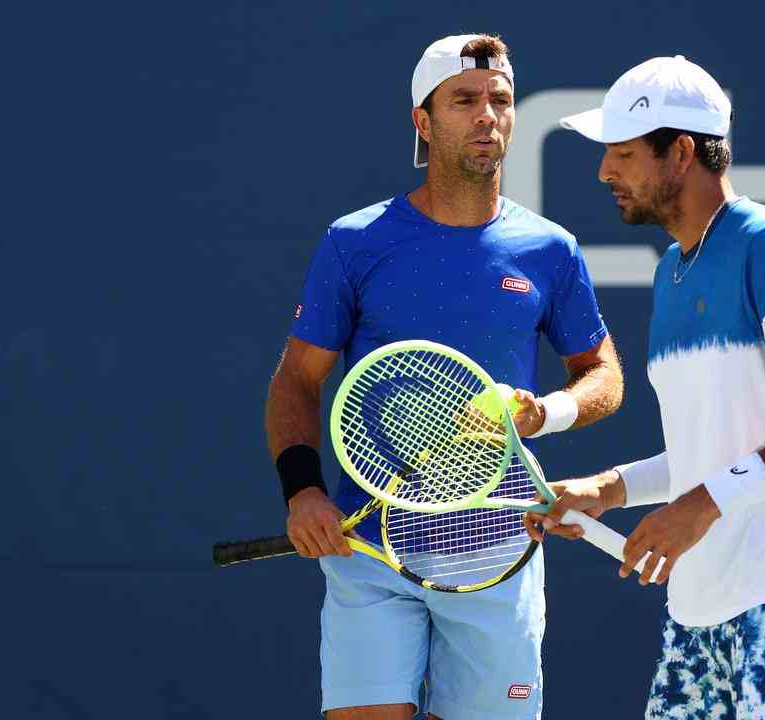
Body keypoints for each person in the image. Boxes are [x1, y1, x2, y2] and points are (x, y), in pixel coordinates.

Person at [265, 34, 623, 720]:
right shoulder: (355, 242)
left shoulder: (551, 249)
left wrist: (542, 413)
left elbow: (601, 373)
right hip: (370, 546)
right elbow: (296, 383)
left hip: (498, 549)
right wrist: (302, 490)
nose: (487, 114)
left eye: (501, 100)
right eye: (464, 100)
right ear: (422, 121)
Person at [527, 56, 765, 719]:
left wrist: (704, 504)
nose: (606, 172)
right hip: (700, 616)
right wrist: (610, 489)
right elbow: (709, 453)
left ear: (681, 152)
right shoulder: (672, 273)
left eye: (625, 154)